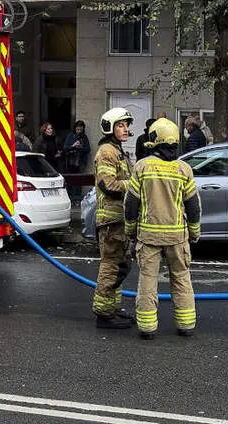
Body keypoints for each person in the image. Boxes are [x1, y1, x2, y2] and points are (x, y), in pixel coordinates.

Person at [125, 117, 200, 339]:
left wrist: (131, 229)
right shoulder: (184, 169)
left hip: (149, 237)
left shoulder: (142, 167)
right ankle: (186, 325)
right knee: (181, 278)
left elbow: (131, 204)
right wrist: (194, 231)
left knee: (148, 281)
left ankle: (147, 328)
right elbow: (193, 205)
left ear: (154, 140)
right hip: (177, 237)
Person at [92, 107, 136, 329]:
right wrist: (135, 185)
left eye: (126, 124)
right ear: (109, 127)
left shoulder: (118, 151)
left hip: (120, 220)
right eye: (120, 125)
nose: (125, 129)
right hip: (110, 222)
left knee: (122, 265)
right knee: (111, 267)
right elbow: (108, 186)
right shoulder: (107, 152)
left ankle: (112, 308)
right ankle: (103, 314)